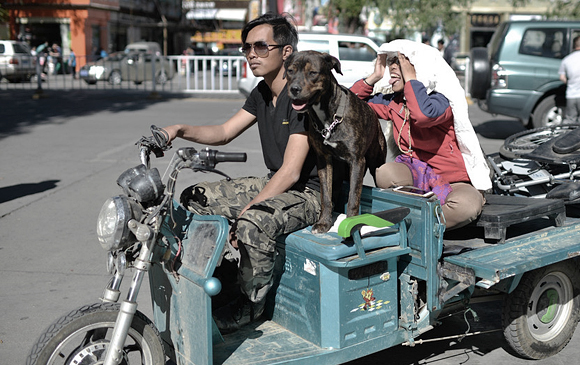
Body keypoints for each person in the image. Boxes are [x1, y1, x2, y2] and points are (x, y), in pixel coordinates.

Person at [159, 13, 321, 333]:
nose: (251, 54)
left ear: (286, 51)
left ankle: (250, 305)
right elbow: (223, 131)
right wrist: (177, 129)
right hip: (276, 182)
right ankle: (226, 277)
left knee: (252, 222)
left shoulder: (303, 97)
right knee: (196, 197)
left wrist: (249, 208)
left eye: (261, 47)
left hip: (311, 193)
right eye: (246, 47)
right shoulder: (262, 92)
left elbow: (290, 172)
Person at [350, 39, 492, 230]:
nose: (392, 68)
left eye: (400, 63)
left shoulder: (442, 100)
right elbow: (351, 104)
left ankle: (416, 226)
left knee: (466, 206)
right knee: (385, 173)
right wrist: (374, 77)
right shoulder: (395, 102)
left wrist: (411, 80)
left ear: (418, 69)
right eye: (391, 63)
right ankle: (421, 222)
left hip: (455, 182)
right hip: (418, 176)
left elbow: (423, 116)